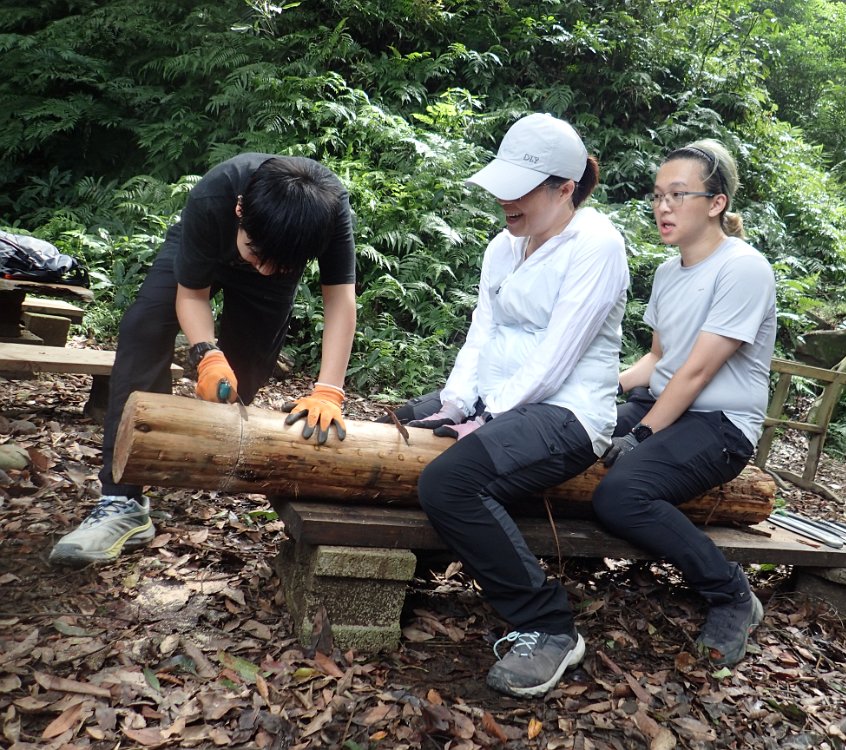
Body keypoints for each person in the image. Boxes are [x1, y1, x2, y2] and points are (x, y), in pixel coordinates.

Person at [389, 113, 629, 697]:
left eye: (520, 189)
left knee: (449, 482)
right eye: (503, 185)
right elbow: (484, 329)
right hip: (501, 403)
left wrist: (488, 416)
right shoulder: (504, 246)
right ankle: (421, 558)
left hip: (568, 414)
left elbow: (557, 355)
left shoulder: (597, 246)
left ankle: (549, 626)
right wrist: (455, 403)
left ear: (565, 188)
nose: (505, 200)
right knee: (406, 427)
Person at [49, 153, 357, 566]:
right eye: (257, 255)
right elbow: (192, 294)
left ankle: (191, 453)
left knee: (243, 376)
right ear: (239, 210)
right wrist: (206, 354)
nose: (265, 270)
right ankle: (121, 502)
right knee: (144, 327)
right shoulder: (215, 195)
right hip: (205, 245)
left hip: (273, 250)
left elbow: (340, 300)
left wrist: (329, 392)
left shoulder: (328, 212)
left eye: (280, 265)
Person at [592, 139, 776, 666]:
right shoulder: (668, 272)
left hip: (720, 425)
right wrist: (597, 391)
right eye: (657, 196)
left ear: (717, 203)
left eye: (678, 194)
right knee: (566, 434)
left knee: (621, 495)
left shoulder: (743, 268)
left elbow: (697, 371)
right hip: (662, 404)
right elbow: (658, 359)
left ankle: (731, 594)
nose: (663, 207)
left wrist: (641, 434)